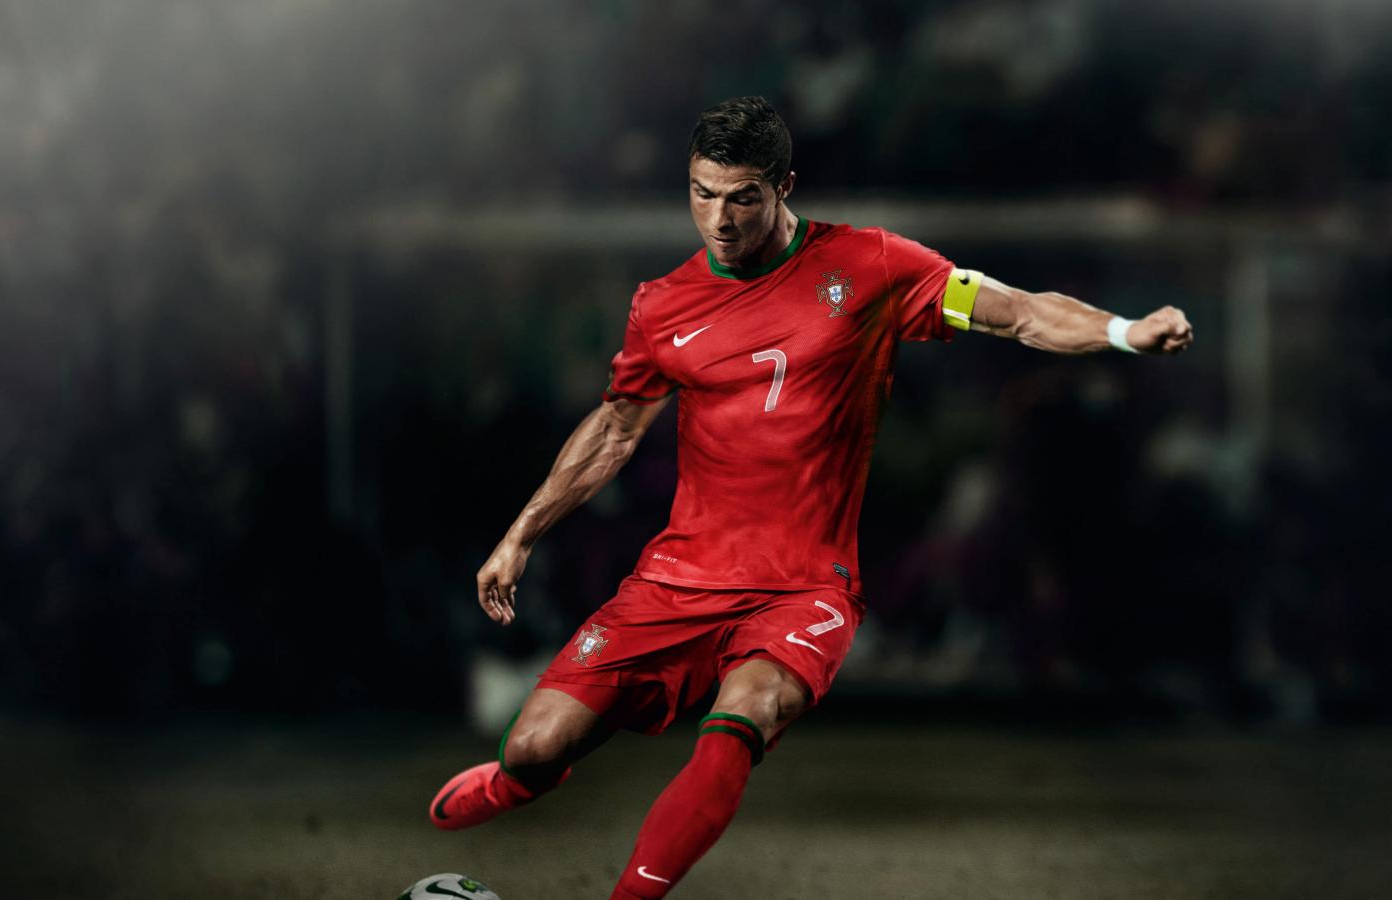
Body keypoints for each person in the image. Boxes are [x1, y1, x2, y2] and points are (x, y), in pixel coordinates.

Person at [428, 96, 1193, 899]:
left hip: (803, 589)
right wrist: (519, 536)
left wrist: (1124, 333)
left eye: (742, 197)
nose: (718, 219)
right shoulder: (662, 304)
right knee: (536, 746)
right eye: (701, 193)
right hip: (679, 579)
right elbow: (617, 429)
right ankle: (516, 781)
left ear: (784, 186)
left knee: (742, 718)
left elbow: (1021, 314)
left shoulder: (870, 267)